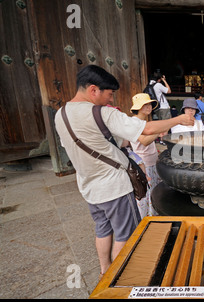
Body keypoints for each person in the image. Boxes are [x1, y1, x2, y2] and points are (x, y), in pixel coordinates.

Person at [54, 65, 194, 277]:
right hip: (114, 187)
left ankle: (105, 270)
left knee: (102, 230)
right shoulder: (100, 112)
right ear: (94, 90)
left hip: (89, 188)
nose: (111, 100)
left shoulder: (61, 115)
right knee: (125, 234)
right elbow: (144, 130)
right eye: (109, 94)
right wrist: (179, 119)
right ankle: (119, 276)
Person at [129, 93, 162, 218]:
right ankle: (146, 221)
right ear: (139, 107)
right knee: (146, 195)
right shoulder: (134, 122)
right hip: (144, 164)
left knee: (154, 192)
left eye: (150, 104)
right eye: (146, 104)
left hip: (152, 161)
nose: (149, 107)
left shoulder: (144, 122)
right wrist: (158, 132)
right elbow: (144, 141)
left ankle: (153, 218)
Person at [149, 72, 172, 145]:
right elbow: (168, 91)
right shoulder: (158, 85)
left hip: (156, 108)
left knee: (161, 124)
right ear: (159, 79)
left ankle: (161, 139)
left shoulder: (149, 85)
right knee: (167, 124)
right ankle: (164, 140)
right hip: (163, 107)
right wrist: (164, 80)